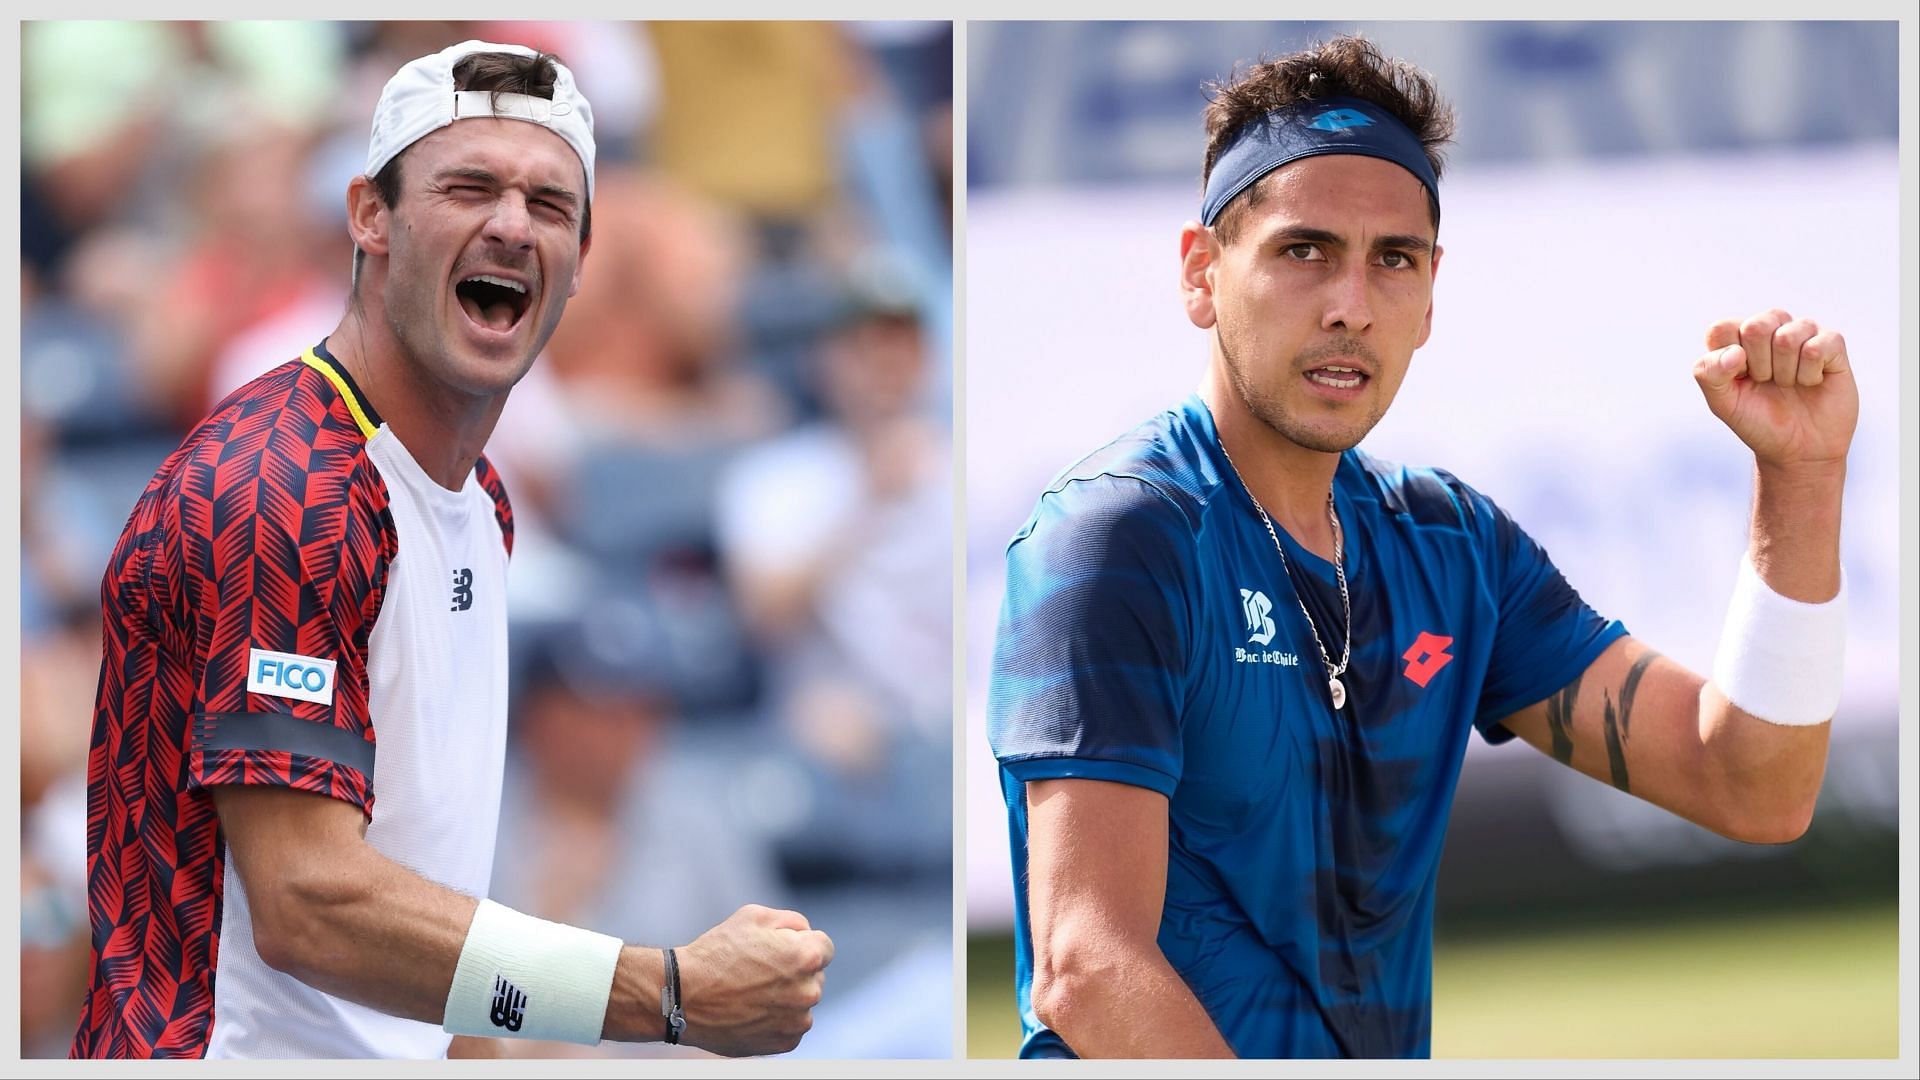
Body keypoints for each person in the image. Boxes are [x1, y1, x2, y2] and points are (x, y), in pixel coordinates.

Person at [986, 35, 1856, 1060]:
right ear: (1201, 274)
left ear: (1431, 295)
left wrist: (1801, 479)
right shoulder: (1121, 534)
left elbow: (1754, 786)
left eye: (1391, 259)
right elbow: (1087, 966)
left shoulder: (1452, 546)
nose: (1351, 304)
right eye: (1303, 250)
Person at [72, 40, 832, 1060]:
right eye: (469, 186)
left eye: (550, 204)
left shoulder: (479, 499)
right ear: (369, 216)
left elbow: (425, 887)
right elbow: (312, 905)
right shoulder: (282, 486)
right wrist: (671, 993)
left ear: (579, 264)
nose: (513, 224)